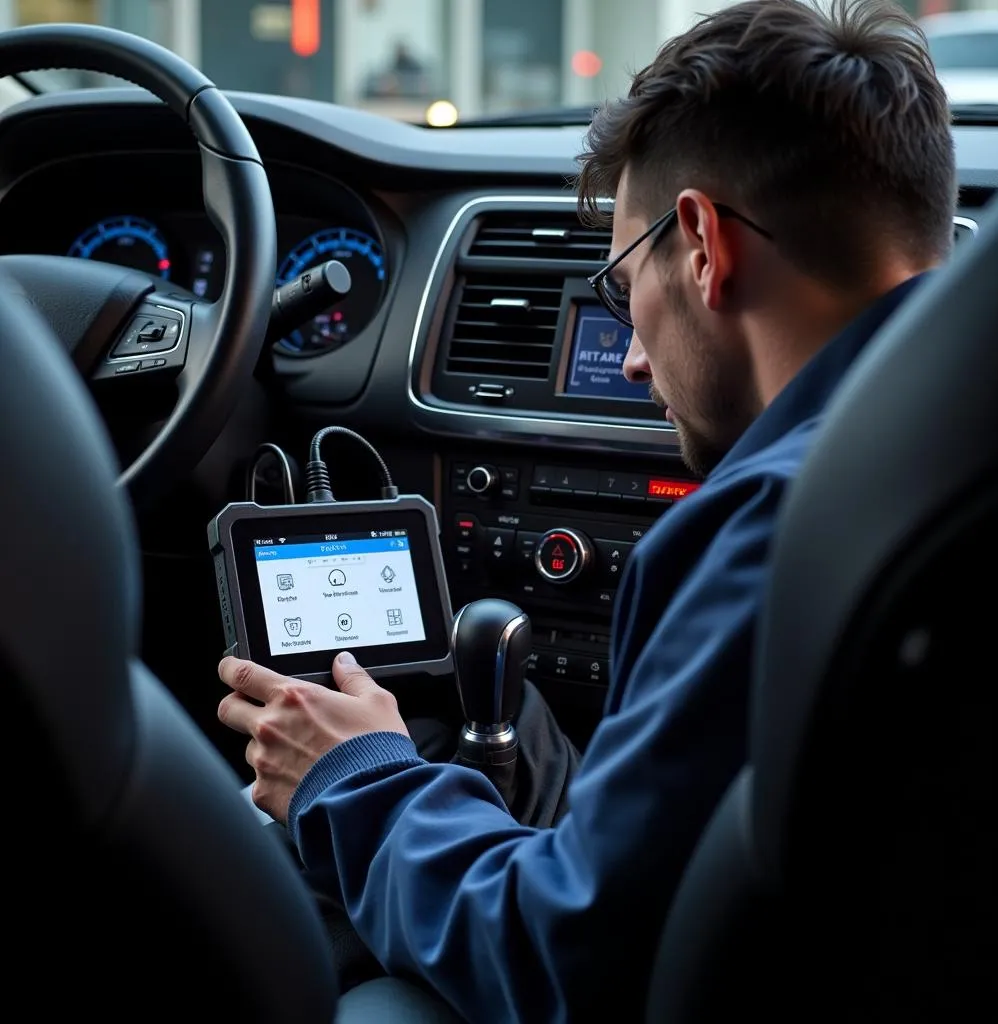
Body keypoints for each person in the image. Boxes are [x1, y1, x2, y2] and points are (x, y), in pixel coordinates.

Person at [217, 1, 957, 1019]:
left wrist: (354, 775)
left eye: (620, 290)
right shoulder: (958, 454)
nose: (638, 359)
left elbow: (562, 962)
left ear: (700, 243)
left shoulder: (773, 535)